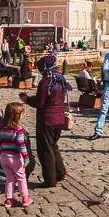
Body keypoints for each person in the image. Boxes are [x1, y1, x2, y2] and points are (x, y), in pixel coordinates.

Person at [25, 55, 68, 188]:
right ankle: (60, 172)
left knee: (45, 150)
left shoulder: (45, 82)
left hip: (47, 120)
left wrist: (26, 99)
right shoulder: (60, 79)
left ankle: (50, 180)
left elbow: (40, 102)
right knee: (53, 146)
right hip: (59, 119)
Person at [0, 102, 33, 208]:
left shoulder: (1, 129)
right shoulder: (18, 130)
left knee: (9, 179)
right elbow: (21, 144)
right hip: (15, 157)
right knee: (21, 177)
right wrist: (26, 158)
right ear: (18, 116)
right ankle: (25, 197)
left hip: (4, 157)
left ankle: (9, 199)